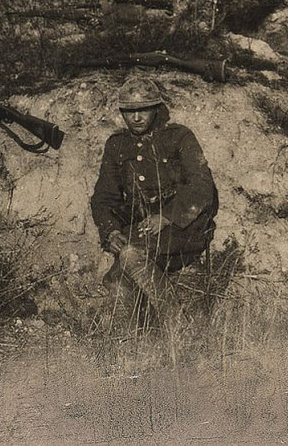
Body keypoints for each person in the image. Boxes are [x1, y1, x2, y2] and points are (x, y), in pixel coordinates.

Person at [90, 77, 218, 335]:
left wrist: (167, 216)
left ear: (156, 109)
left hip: (184, 228)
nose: (136, 117)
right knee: (114, 280)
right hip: (144, 230)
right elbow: (104, 197)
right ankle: (136, 340)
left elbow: (202, 186)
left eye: (143, 109)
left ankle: (178, 324)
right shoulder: (116, 145)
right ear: (122, 113)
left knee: (129, 255)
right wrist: (111, 231)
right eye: (130, 111)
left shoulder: (178, 137)